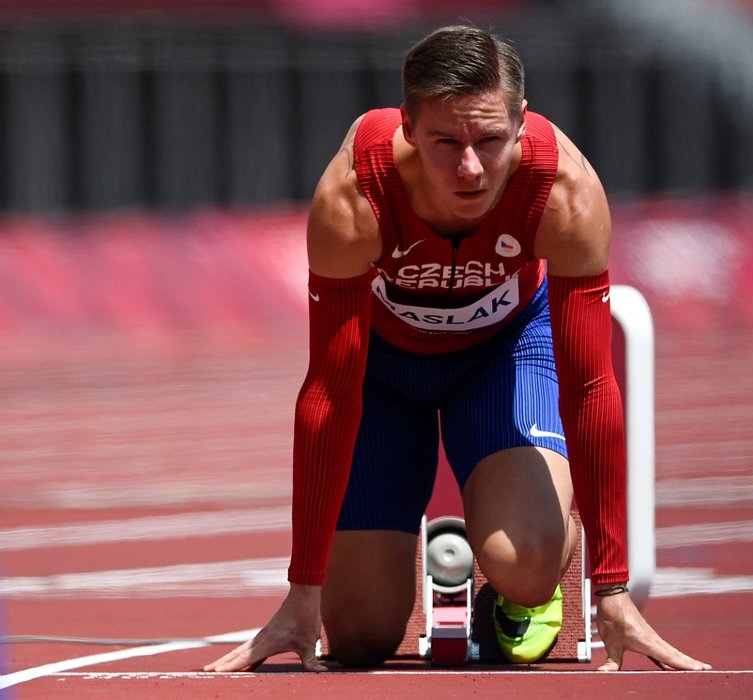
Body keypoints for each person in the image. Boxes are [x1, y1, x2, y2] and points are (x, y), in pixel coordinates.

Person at [205, 25, 709, 673]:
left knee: (523, 561)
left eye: (490, 141)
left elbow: (590, 387)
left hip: (501, 358)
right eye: (447, 142)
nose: (470, 167)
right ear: (409, 127)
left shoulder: (565, 192)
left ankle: (533, 566)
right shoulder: (354, 195)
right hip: (382, 377)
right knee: (358, 637)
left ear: (521, 124)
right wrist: (302, 590)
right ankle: (447, 557)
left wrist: (609, 587)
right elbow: (328, 392)